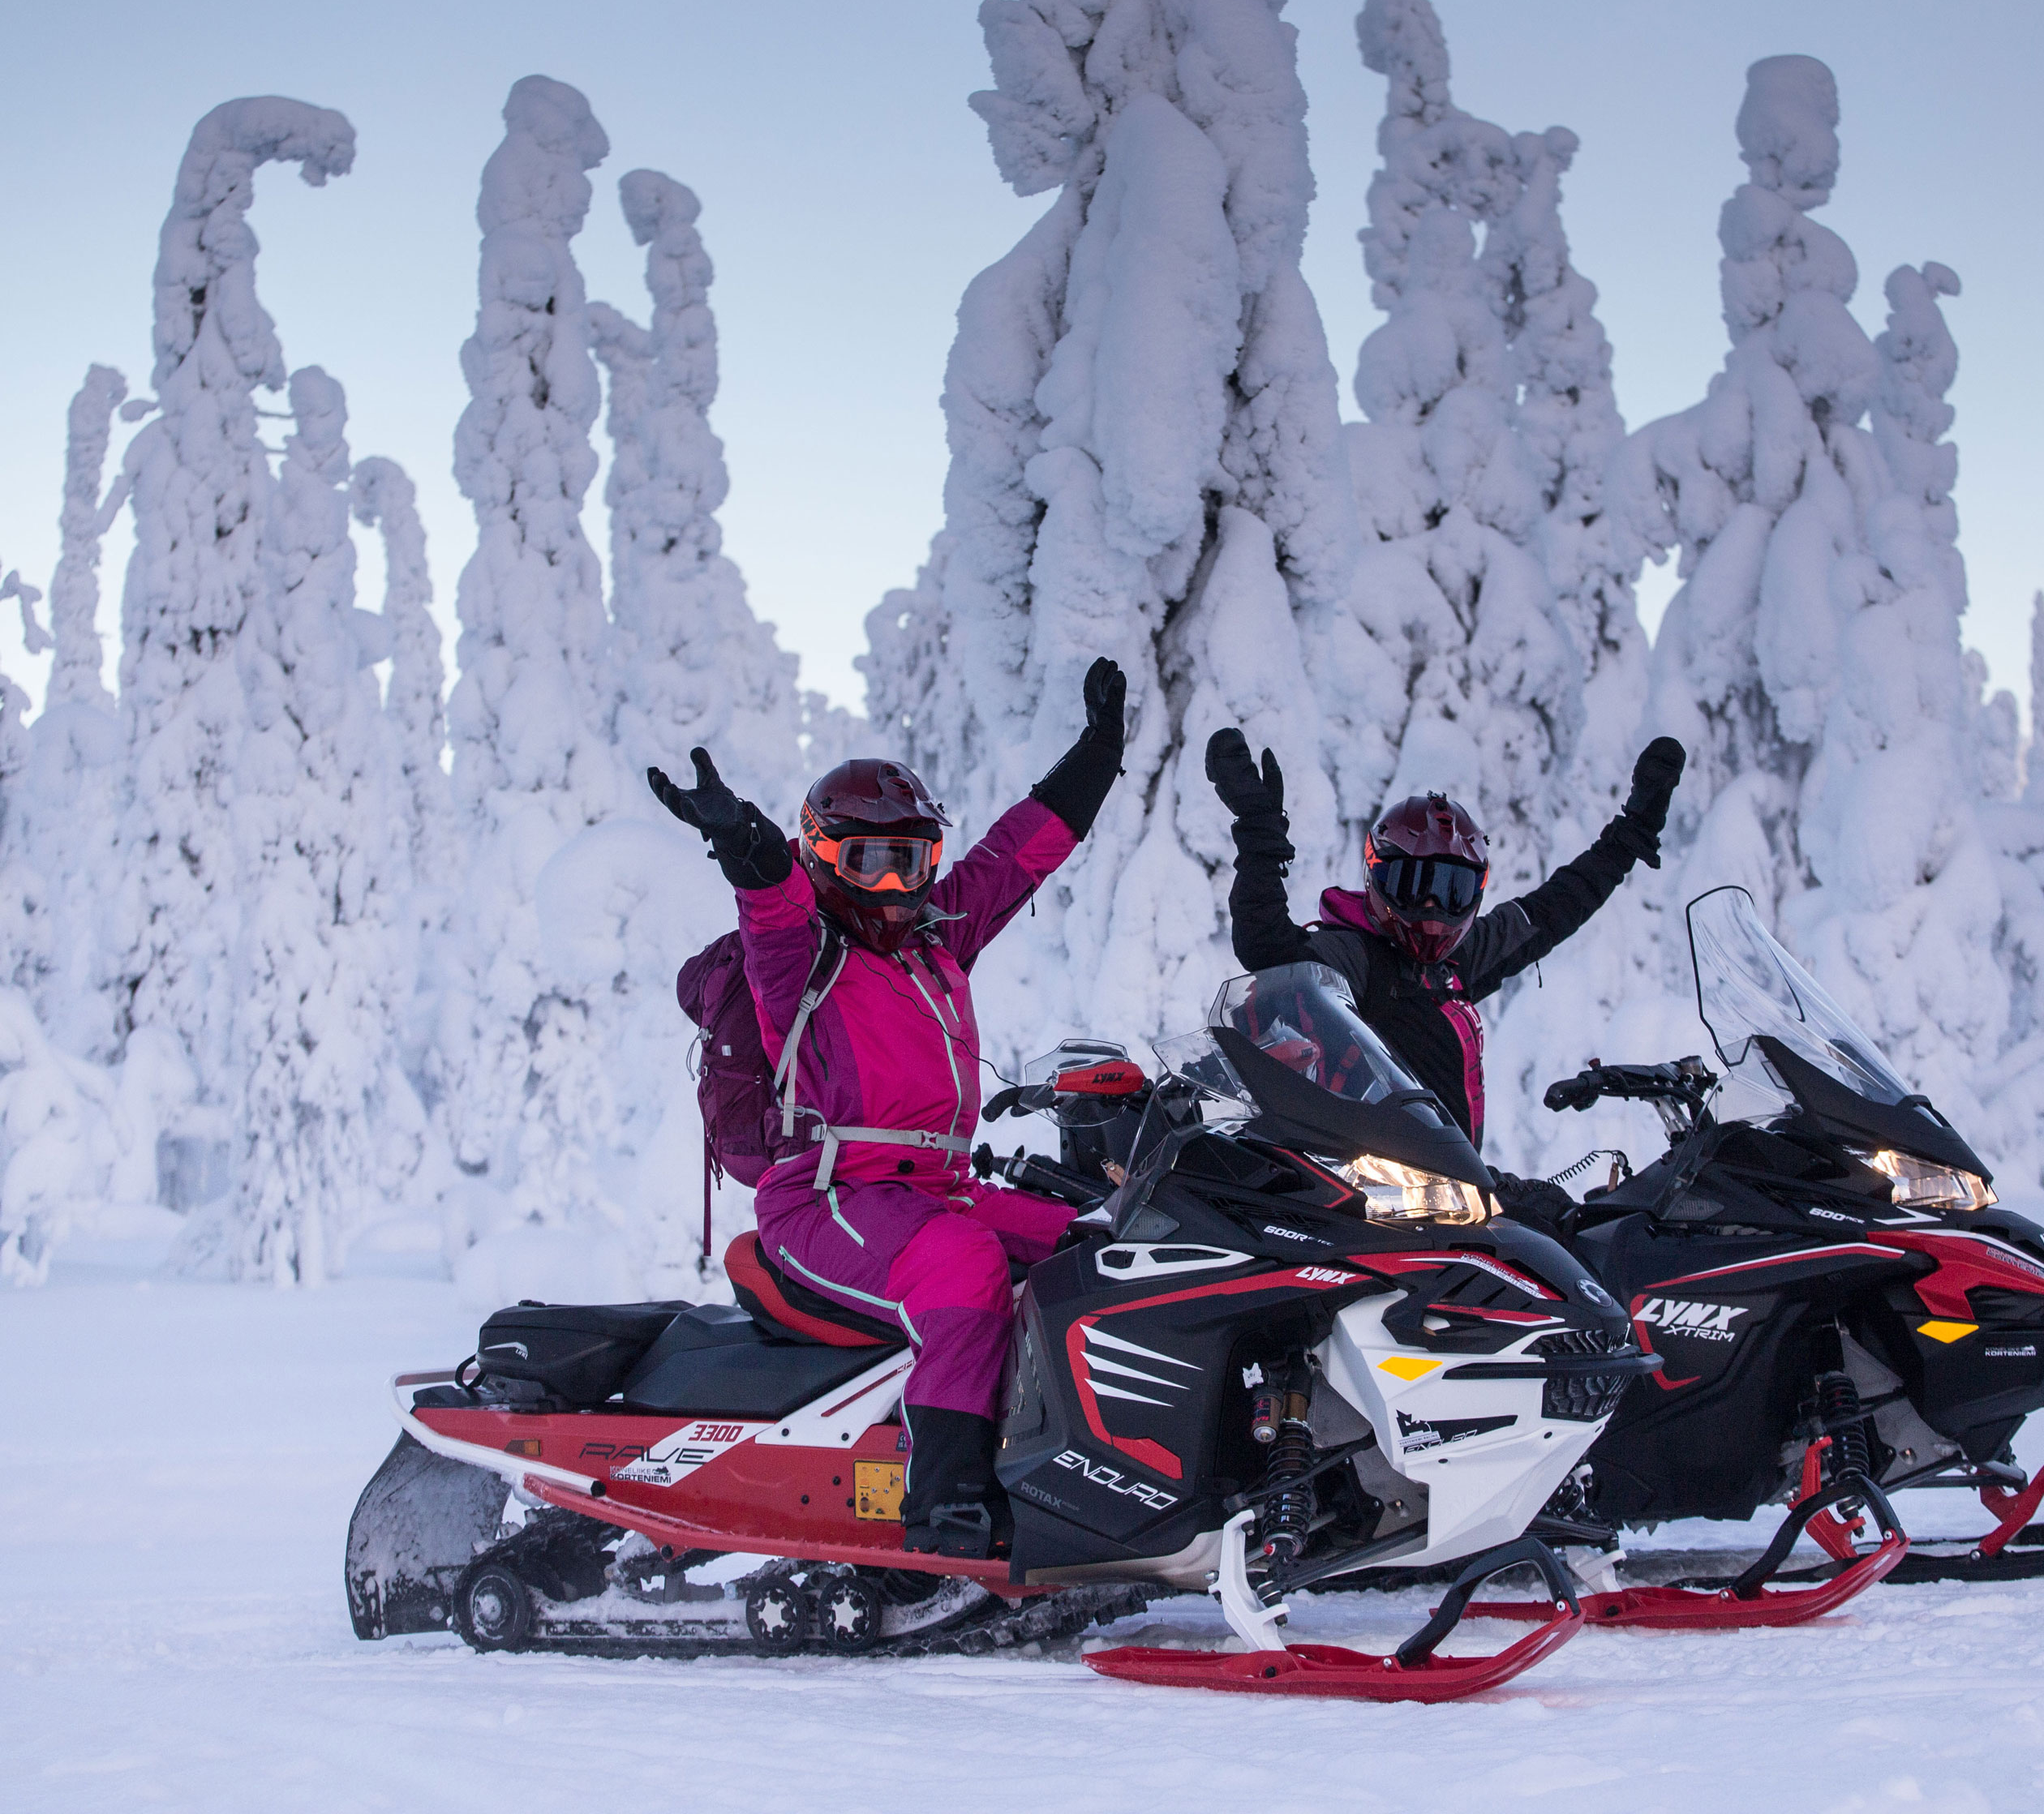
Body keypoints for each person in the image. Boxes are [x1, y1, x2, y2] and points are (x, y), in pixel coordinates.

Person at [649, 660, 1127, 1557]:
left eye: (912, 860)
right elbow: (772, 902)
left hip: (933, 1190)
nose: (895, 885)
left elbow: (1017, 855)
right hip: (824, 1199)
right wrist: (742, 841)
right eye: (869, 860)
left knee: (1098, 1240)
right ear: (824, 857)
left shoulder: (938, 939)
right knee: (963, 1265)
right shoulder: (804, 958)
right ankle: (945, 1502)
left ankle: (1091, 1471)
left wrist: (1098, 751)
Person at [1204, 729, 1684, 1220]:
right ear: (1377, 879)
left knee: (1586, 1232)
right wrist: (1259, 833)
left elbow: (1555, 907)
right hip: (1380, 1199)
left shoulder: (1455, 964)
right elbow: (1269, 948)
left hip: (1443, 1195)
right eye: (1413, 885)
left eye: (1452, 889)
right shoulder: (1359, 956)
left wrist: (1632, 831)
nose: (1432, 908)